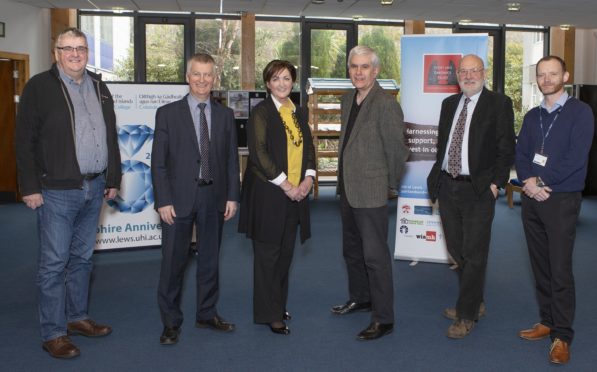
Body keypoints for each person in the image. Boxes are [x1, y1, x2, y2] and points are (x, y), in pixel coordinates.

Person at [15, 27, 121, 359]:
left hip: (94, 187)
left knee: (82, 259)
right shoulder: (39, 88)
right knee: (54, 263)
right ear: (56, 52)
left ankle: (77, 318)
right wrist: (29, 186)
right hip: (56, 191)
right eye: (68, 48)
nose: (75, 53)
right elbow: (24, 142)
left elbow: (110, 136)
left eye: (81, 48)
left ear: (88, 52)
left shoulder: (100, 87)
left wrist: (112, 176)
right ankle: (54, 332)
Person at [151, 53, 240, 345]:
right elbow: (159, 163)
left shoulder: (225, 115)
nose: (202, 80)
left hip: (213, 196)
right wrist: (163, 200)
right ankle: (170, 322)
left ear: (214, 79)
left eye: (208, 75)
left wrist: (232, 196)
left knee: (210, 261)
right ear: (187, 77)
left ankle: (206, 313)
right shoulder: (167, 113)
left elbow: (230, 159)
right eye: (197, 74)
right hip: (177, 200)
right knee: (173, 262)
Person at [427, 54, 515, 339]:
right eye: (463, 71)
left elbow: (506, 149)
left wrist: (496, 184)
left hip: (478, 189)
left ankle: (466, 315)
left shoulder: (498, 104)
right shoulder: (449, 104)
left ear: (484, 73)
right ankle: (474, 300)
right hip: (447, 186)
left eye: (473, 71)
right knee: (457, 251)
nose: (467, 76)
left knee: (475, 254)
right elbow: (444, 144)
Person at [515, 55, 594, 364]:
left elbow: (576, 158)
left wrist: (541, 180)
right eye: (541, 74)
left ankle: (562, 335)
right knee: (540, 265)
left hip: (561, 199)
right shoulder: (533, 115)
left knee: (559, 268)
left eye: (553, 74)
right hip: (532, 199)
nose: (546, 79)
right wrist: (528, 181)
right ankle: (546, 321)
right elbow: (521, 151)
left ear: (566, 75)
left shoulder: (581, 112)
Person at [331, 46, 409, 341]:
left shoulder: (386, 104)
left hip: (372, 191)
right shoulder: (348, 99)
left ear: (375, 71)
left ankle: (384, 318)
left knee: (375, 257)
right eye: (354, 67)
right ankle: (361, 298)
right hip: (348, 190)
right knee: (351, 251)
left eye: (365, 67)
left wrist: (389, 185)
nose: (359, 72)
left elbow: (396, 151)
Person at [238, 60, 315, 335]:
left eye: (286, 78)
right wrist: (287, 186)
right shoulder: (261, 113)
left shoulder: (297, 111)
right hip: (269, 195)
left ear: (292, 81)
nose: (282, 83)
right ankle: (269, 314)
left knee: (285, 254)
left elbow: (308, 148)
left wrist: (308, 178)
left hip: (296, 194)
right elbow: (259, 155)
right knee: (267, 256)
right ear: (267, 83)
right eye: (276, 79)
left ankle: (278, 304)